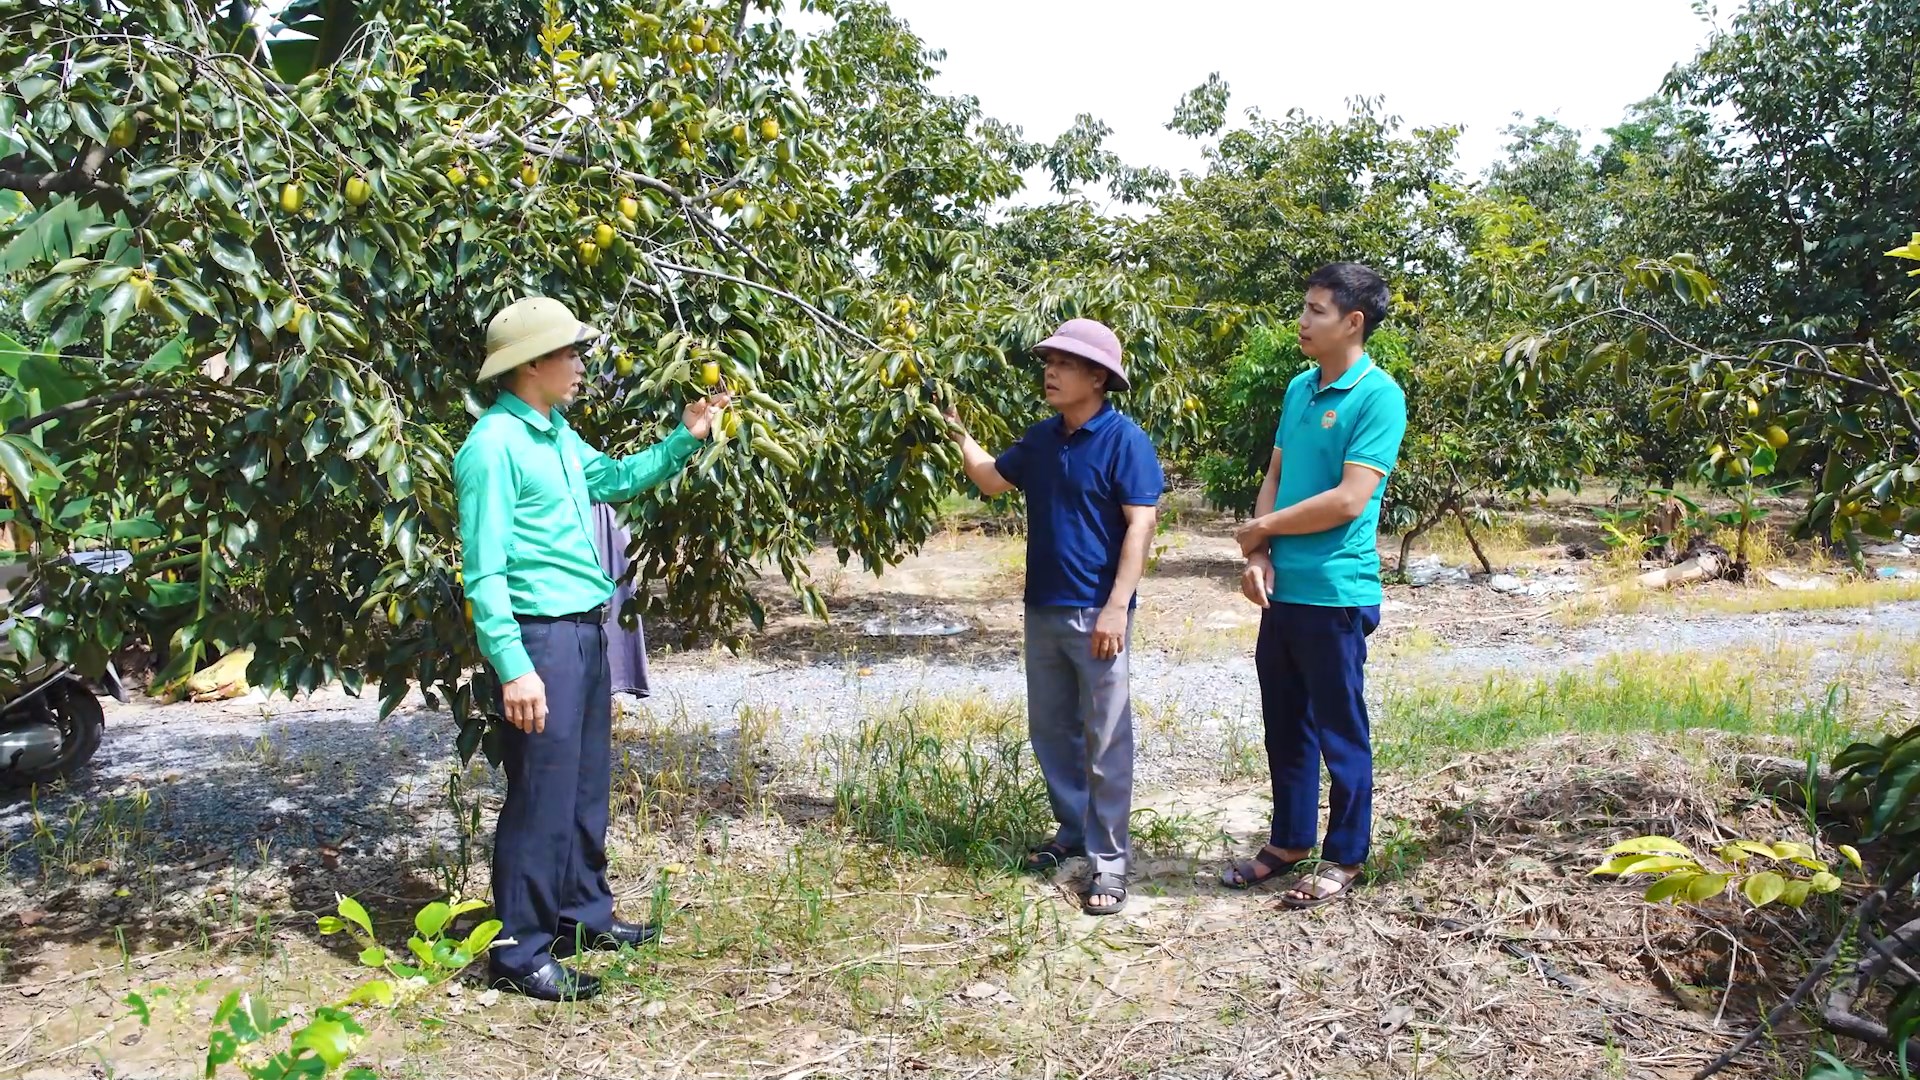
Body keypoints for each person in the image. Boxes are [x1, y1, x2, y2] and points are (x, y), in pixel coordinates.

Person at [456, 296, 729, 1000]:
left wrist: (685, 437)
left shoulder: (556, 435)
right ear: (532, 364)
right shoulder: (492, 448)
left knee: (582, 787)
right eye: (571, 354)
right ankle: (519, 953)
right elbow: (483, 573)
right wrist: (513, 668)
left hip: (583, 629)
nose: (581, 365)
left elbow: (613, 480)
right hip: (539, 635)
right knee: (539, 796)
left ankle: (582, 916)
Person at [945, 318, 1164, 916]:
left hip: (1099, 611)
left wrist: (1117, 606)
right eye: (1049, 361)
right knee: (1053, 730)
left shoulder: (1125, 441)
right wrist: (957, 434)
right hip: (1043, 607)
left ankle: (1111, 861)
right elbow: (991, 480)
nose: (1051, 371)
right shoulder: (1042, 439)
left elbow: (1141, 525)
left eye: (1065, 363)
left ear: (1098, 378)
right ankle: (1072, 832)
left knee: (1106, 739)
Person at [1219, 263, 1407, 909]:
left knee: (1339, 729)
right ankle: (1290, 841)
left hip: (1336, 591)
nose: (1302, 321)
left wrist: (1260, 526)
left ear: (1353, 322)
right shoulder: (1300, 388)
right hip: (1284, 589)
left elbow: (1352, 498)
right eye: (1303, 307)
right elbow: (1276, 470)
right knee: (1285, 725)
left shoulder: (1378, 395)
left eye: (1316, 311)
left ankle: (1346, 854)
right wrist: (1260, 550)